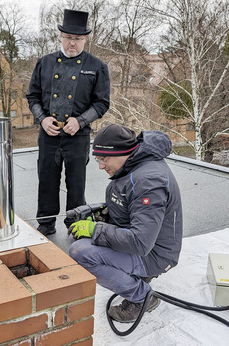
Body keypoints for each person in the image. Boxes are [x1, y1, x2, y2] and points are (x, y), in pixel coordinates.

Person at [69, 124, 183, 323]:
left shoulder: (149, 181)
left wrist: (96, 229)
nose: (101, 166)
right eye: (98, 159)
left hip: (155, 254)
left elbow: (140, 242)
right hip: (145, 244)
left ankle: (143, 298)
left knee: (81, 252)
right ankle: (136, 277)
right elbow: (131, 205)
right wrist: (100, 215)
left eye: (104, 159)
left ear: (122, 152)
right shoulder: (133, 164)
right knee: (76, 235)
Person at [26, 9, 110, 236]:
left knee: (76, 184)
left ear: (85, 39)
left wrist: (81, 121)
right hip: (49, 134)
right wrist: (42, 120)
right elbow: (32, 97)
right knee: (46, 180)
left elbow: (102, 103)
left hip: (78, 136)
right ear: (61, 36)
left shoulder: (97, 66)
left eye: (78, 39)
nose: (73, 43)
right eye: (69, 38)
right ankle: (45, 222)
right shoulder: (45, 63)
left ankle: (76, 224)